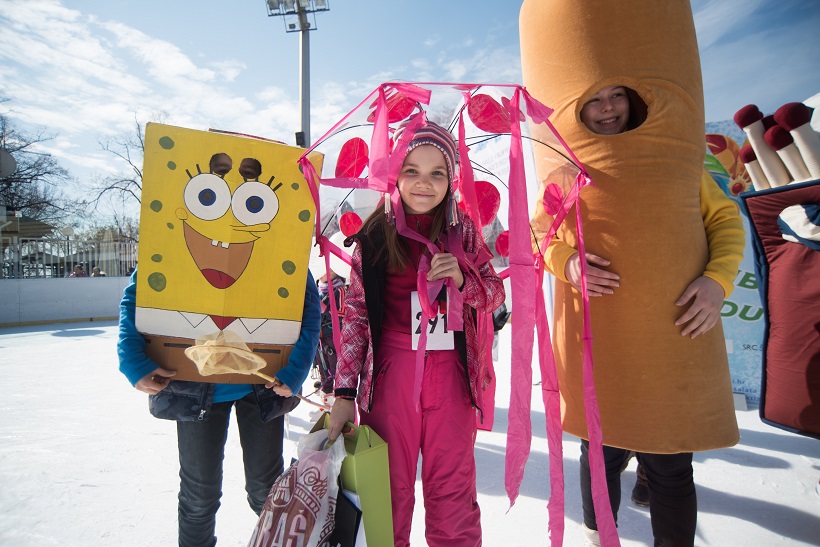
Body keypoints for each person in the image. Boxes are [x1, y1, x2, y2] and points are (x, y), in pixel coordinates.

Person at [530, 84, 745, 546]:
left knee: (670, 462)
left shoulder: (678, 159)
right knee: (600, 454)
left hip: (669, 339)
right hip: (600, 345)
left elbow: (724, 220)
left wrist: (718, 280)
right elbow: (538, 234)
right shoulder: (565, 171)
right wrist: (566, 260)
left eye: (617, 95)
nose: (608, 107)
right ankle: (598, 538)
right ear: (578, 108)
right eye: (594, 98)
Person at [327, 120, 505, 547]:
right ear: (394, 173)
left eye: (436, 173)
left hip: (452, 379)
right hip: (391, 377)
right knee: (387, 493)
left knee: (453, 494)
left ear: (451, 178)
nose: (424, 183)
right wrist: (344, 393)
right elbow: (356, 316)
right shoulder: (375, 234)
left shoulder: (464, 232)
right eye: (412, 170)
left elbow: (494, 295)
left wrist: (462, 279)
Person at [116, 268, 321, 547]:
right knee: (199, 498)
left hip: (263, 385)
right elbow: (139, 293)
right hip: (193, 384)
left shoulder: (279, 242)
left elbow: (307, 303)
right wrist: (132, 358)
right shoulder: (174, 238)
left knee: (265, 491)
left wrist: (297, 368)